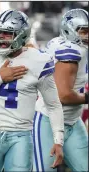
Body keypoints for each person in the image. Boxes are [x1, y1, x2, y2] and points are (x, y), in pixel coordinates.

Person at [0, 10, 64, 172]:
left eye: (7, 34)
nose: (0, 37)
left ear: (22, 35)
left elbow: (53, 104)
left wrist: (58, 140)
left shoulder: (39, 60)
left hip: (21, 136)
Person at [33, 8, 88, 172]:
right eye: (84, 31)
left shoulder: (64, 44)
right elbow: (63, 95)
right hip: (47, 121)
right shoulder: (71, 52)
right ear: (69, 30)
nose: (88, 36)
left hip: (72, 121)